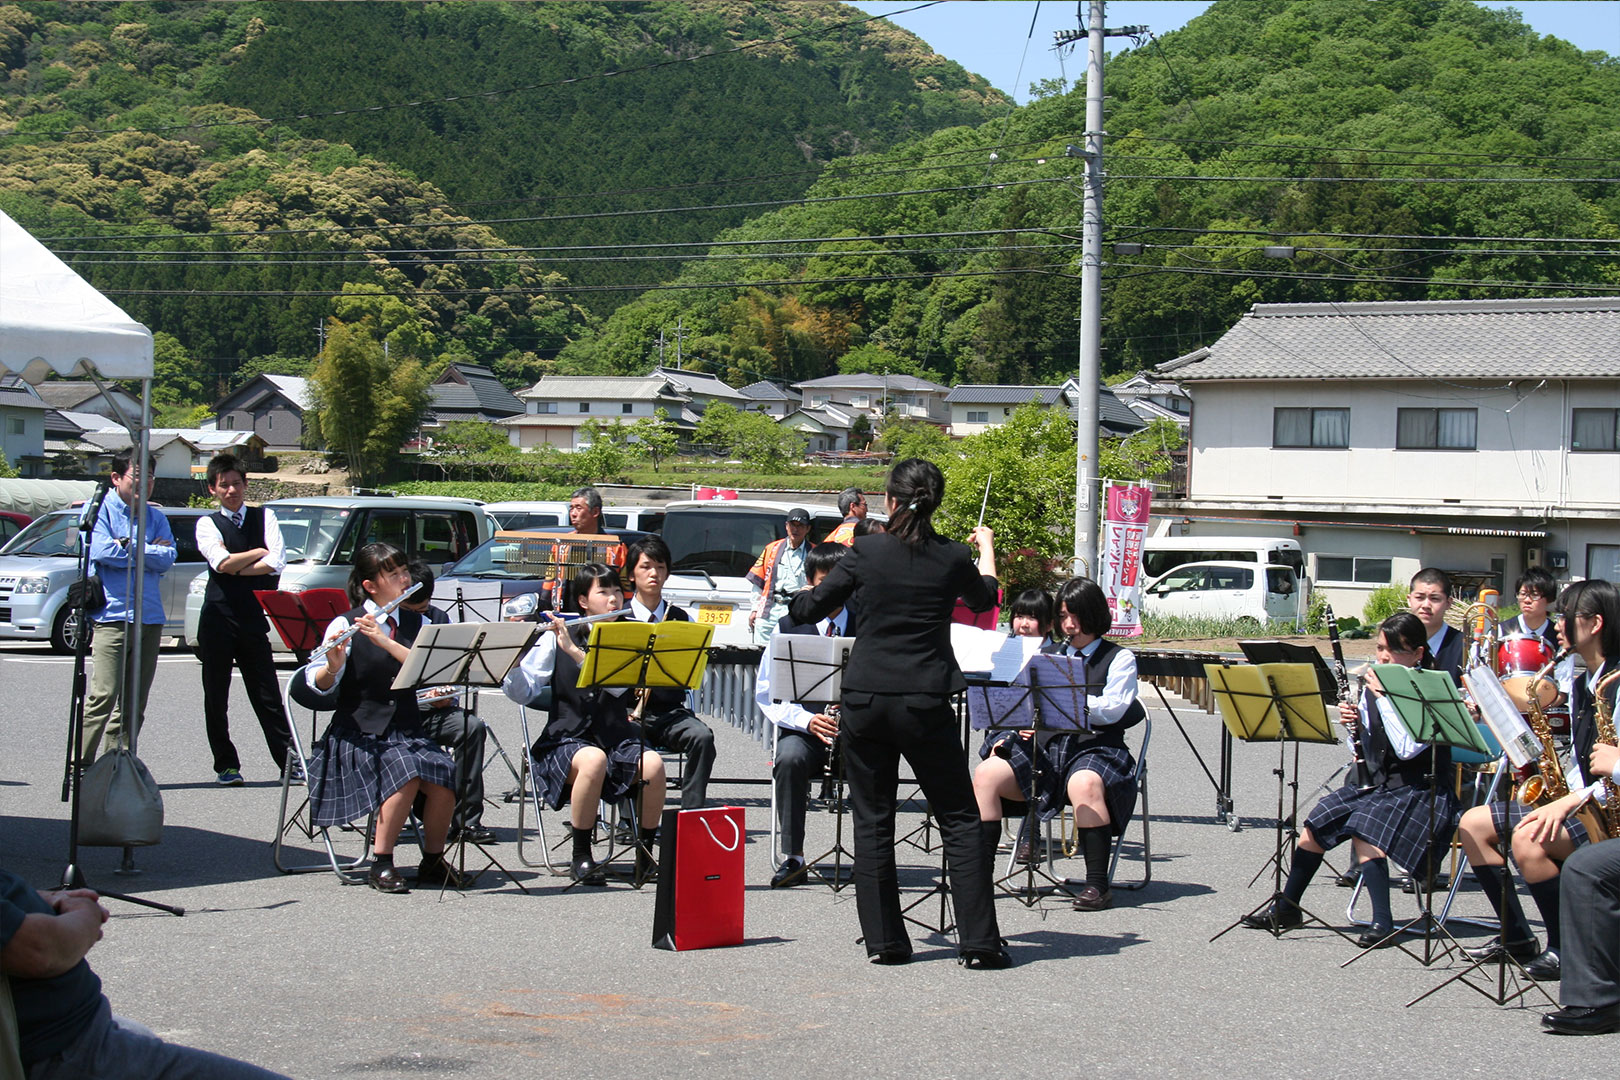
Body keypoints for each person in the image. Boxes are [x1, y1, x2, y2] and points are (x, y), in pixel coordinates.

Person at [788, 458, 1009, 968]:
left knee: (872, 818)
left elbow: (813, 608)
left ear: (890, 500)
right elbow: (986, 597)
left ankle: (886, 942)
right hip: (924, 698)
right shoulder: (954, 556)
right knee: (958, 816)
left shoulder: (865, 549)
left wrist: (800, 600)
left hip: (866, 697)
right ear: (935, 501)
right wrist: (987, 551)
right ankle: (978, 943)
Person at [1243, 611, 1460, 948]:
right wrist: (1355, 724)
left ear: (1417, 653)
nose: (1384, 657)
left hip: (1422, 789)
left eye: (1394, 650)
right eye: (1380, 648)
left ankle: (1382, 921)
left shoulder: (1428, 687)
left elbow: (1407, 749)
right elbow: (1370, 746)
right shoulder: (1372, 686)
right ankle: (1288, 906)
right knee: (1316, 823)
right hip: (1381, 783)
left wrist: (1384, 699)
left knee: (1364, 824)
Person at [0, 866, 290, 1078]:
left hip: (72, 1027)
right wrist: (84, 916)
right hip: (62, 1046)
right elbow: (38, 950)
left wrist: (42, 898)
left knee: (138, 1032)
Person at [1479, 578, 1620, 983]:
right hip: (1586, 798)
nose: (1557, 625)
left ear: (1593, 624)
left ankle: (1563, 946)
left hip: (1607, 807)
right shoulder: (1580, 681)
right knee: (1473, 824)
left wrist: (1566, 801)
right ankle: (1519, 937)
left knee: (1527, 839)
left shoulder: (1615, 683)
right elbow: (1581, 758)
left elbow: (1609, 763)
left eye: (1565, 616)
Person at [296, 543, 459, 893]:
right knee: (406, 770)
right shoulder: (346, 622)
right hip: (358, 734)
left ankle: (432, 859)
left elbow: (428, 671)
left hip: (405, 730)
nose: (405, 579)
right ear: (371, 586)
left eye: (404, 571)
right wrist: (332, 666)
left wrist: (385, 642)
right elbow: (317, 685)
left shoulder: (420, 623)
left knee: (445, 775)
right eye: (394, 574)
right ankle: (381, 861)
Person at [973, 578, 1144, 912]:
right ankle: (978, 877)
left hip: (1096, 748)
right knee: (986, 774)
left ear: (1094, 614)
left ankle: (1097, 884)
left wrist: (1069, 703)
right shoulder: (1046, 654)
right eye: (1063, 615)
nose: (1068, 624)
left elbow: (1114, 709)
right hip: (1046, 749)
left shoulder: (1119, 658)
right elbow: (1019, 700)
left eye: (1076, 616)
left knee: (1083, 781)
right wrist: (1009, 733)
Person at [503, 563, 665, 883]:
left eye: (617, 591)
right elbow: (523, 693)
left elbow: (618, 687)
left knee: (654, 764)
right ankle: (582, 856)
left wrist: (577, 654)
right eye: (603, 592)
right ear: (583, 601)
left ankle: (644, 855)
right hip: (567, 738)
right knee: (593, 760)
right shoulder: (557, 637)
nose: (614, 599)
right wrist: (514, 661)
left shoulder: (627, 635)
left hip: (614, 734)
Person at [755, 542, 853, 887]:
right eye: (824, 584)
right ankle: (793, 856)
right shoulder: (789, 626)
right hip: (807, 731)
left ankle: (872, 858)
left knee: (879, 758)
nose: (832, 592)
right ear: (810, 584)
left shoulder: (868, 623)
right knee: (789, 758)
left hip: (856, 731)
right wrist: (806, 720)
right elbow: (767, 693)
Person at [193, 453, 293, 787]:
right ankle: (226, 765)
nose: (232, 490)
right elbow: (220, 563)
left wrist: (241, 563)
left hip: (252, 618)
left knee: (267, 694)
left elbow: (278, 562)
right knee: (216, 696)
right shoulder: (207, 524)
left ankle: (288, 763)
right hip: (218, 619)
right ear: (213, 489)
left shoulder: (265, 517)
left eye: (237, 483)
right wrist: (256, 554)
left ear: (246, 484)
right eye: (225, 485)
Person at [80, 454, 175, 764]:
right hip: (112, 616)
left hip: (149, 617)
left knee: (134, 703)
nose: (144, 482)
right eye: (138, 475)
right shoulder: (100, 509)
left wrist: (128, 545)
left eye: (150, 476)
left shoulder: (156, 516)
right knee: (104, 695)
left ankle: (115, 765)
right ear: (117, 478)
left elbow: (168, 557)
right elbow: (102, 550)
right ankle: (80, 764)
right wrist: (147, 549)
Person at [401, 562, 496, 846]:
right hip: (398, 713)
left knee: (471, 726)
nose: (419, 615)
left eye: (423, 608)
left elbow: (454, 669)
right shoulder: (387, 624)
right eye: (411, 609)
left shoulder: (438, 618)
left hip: (432, 710)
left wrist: (446, 693)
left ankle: (466, 820)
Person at [623, 536, 716, 810]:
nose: (654, 574)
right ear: (631, 575)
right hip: (626, 712)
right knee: (623, 742)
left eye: (661, 567)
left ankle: (692, 811)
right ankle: (630, 818)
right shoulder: (618, 618)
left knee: (703, 737)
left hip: (667, 713)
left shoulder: (681, 618)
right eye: (646, 567)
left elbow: (690, 673)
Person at [748, 507, 813, 646]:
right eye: (792, 525)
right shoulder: (772, 548)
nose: (795, 529)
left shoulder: (814, 552)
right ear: (786, 526)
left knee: (790, 653)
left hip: (797, 611)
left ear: (807, 529)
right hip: (769, 610)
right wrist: (755, 609)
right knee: (760, 653)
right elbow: (758, 582)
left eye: (800, 526)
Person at [1407, 567, 1466, 683]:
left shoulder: (1466, 647)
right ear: (1409, 600)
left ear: (1448, 603)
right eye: (1419, 597)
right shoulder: (1394, 642)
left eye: (1434, 599)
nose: (1426, 605)